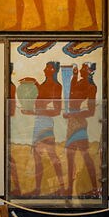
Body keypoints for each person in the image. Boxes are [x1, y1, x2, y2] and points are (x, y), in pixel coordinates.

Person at [30, 61, 66, 196]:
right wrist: (35, 84)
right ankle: (38, 189)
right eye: (45, 66)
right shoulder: (44, 85)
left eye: (48, 67)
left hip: (45, 123)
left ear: (53, 70)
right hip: (38, 122)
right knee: (37, 157)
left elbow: (56, 110)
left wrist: (35, 112)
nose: (45, 69)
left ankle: (62, 188)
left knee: (52, 156)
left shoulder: (57, 86)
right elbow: (40, 102)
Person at [64, 62, 100, 196]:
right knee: (70, 155)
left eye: (85, 68)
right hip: (72, 122)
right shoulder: (78, 82)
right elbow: (71, 96)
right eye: (82, 67)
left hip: (78, 122)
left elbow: (90, 111)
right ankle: (69, 188)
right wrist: (73, 76)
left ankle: (95, 189)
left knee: (84, 155)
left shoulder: (91, 87)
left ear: (90, 71)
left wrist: (72, 114)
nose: (82, 70)